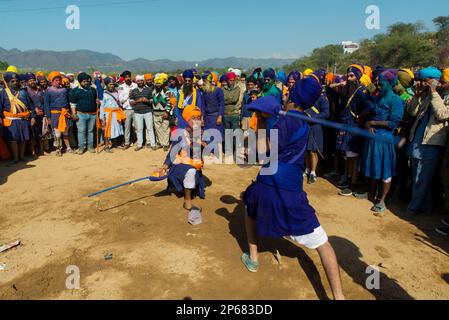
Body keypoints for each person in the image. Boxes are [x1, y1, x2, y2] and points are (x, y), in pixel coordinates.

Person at [241, 77, 345, 300]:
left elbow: (262, 151)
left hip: (273, 185)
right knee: (324, 245)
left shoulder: (288, 121)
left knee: (250, 203)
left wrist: (260, 119)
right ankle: (339, 297)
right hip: (284, 186)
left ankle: (254, 257)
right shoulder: (299, 120)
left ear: (292, 94)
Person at [359, 71, 404, 215]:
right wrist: (368, 125)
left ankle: (382, 200)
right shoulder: (377, 98)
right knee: (373, 166)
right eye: (377, 82)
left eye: (381, 82)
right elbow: (372, 115)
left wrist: (373, 122)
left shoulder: (396, 100)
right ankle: (371, 194)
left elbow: (393, 122)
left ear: (390, 84)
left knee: (385, 170)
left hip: (385, 140)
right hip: (373, 138)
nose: (378, 84)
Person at [406, 67, 449, 215]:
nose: (424, 83)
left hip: (431, 144)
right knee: (417, 177)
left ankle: (413, 208)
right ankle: (425, 207)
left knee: (422, 179)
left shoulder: (442, 97)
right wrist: (417, 96)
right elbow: (412, 113)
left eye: (427, 80)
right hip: (418, 142)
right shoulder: (427, 96)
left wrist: (434, 93)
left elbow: (442, 115)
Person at [332, 64, 374, 196]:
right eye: (347, 75)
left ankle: (353, 184)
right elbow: (330, 87)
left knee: (353, 158)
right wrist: (342, 83)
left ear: (358, 77)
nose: (349, 78)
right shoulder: (347, 90)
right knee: (348, 156)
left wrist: (360, 117)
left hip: (353, 127)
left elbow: (370, 106)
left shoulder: (360, 91)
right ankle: (349, 178)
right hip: (346, 125)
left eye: (352, 76)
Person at [156, 104, 206, 211]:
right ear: (187, 119)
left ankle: (186, 187)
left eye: (198, 118)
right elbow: (172, 153)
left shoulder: (202, 133)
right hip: (180, 166)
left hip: (194, 165)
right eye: (193, 118)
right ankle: (187, 203)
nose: (196, 121)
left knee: (193, 171)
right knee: (190, 171)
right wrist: (165, 166)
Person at [0, 72, 33, 163]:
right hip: (10, 120)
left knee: (22, 139)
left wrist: (33, 116)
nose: (15, 82)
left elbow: (30, 106)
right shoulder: (3, 93)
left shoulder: (24, 92)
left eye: (17, 81)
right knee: (13, 140)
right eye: (12, 81)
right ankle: (16, 158)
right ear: (7, 82)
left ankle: (22, 157)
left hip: (23, 119)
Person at [304, 70, 331, 184]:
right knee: (306, 150)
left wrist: (313, 118)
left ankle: (313, 172)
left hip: (315, 126)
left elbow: (326, 113)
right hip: (305, 125)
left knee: (313, 151)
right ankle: (307, 168)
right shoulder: (306, 96)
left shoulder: (322, 98)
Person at [44, 71, 73, 156]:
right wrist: (48, 117)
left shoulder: (64, 90)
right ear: (51, 81)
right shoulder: (48, 91)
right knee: (57, 133)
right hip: (55, 115)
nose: (58, 82)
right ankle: (58, 149)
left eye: (59, 80)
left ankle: (68, 147)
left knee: (65, 132)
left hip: (65, 114)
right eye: (56, 80)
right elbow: (46, 105)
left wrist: (70, 113)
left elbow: (68, 102)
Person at [69, 72, 99, 154]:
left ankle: (90, 147)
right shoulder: (75, 91)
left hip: (92, 114)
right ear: (80, 81)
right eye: (84, 81)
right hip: (81, 114)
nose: (86, 83)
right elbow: (73, 104)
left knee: (91, 131)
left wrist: (97, 102)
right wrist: (74, 114)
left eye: (87, 81)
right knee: (81, 131)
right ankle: (81, 147)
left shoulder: (93, 90)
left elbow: (96, 100)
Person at [129, 75, 156, 151]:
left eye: (141, 80)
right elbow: (131, 102)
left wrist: (147, 101)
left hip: (148, 111)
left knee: (150, 128)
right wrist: (139, 100)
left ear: (143, 81)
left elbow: (151, 100)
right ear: (136, 82)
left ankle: (153, 144)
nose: (140, 82)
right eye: (138, 81)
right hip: (137, 112)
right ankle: (139, 144)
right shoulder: (133, 91)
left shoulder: (148, 90)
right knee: (139, 129)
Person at [201, 73, 225, 157]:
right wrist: (202, 117)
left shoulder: (218, 90)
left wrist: (220, 116)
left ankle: (218, 153)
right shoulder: (204, 92)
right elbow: (203, 106)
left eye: (204, 81)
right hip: (207, 117)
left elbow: (222, 104)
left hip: (216, 117)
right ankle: (210, 152)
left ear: (208, 81)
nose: (203, 83)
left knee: (217, 135)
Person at [100, 76, 125, 153]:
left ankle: (115, 143)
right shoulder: (103, 94)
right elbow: (102, 106)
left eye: (113, 84)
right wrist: (102, 118)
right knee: (108, 130)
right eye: (110, 84)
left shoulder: (117, 92)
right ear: (107, 85)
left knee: (117, 129)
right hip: (108, 114)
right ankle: (107, 146)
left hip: (116, 113)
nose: (112, 85)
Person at [118, 70, 137, 150]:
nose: (128, 78)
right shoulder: (121, 87)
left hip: (136, 109)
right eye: (126, 77)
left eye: (129, 76)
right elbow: (120, 100)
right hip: (127, 109)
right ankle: (127, 143)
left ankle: (138, 142)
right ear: (124, 78)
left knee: (137, 127)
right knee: (127, 127)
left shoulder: (135, 85)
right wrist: (128, 96)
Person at [152, 73, 171, 151]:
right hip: (155, 113)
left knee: (166, 128)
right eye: (157, 83)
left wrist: (167, 112)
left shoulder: (167, 91)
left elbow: (169, 102)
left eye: (159, 83)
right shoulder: (153, 91)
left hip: (164, 113)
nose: (158, 84)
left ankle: (166, 144)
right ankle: (160, 143)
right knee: (158, 129)